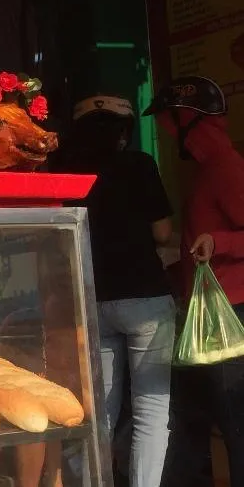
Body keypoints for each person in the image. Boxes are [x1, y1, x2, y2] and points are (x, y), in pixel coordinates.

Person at [51, 94, 175, 487]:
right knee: (151, 409)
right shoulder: (139, 164)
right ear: (123, 132)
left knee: (99, 410)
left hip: (92, 299)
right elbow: (163, 232)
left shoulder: (64, 172)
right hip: (145, 299)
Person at [144, 76, 244, 487]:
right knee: (189, 423)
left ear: (188, 120)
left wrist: (217, 242)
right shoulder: (205, 169)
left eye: (170, 124)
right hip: (202, 318)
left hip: (229, 319)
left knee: (234, 424)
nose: (168, 135)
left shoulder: (225, 167)